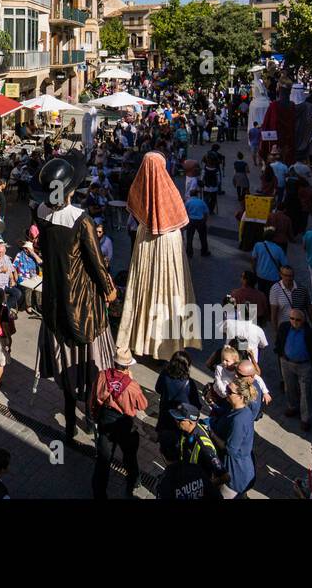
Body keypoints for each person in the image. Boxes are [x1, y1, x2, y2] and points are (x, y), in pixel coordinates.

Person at [36, 153, 120, 442]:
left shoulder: (41, 214)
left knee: (67, 375)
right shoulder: (80, 219)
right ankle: (93, 420)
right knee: (91, 368)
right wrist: (109, 289)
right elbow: (96, 263)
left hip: (54, 304)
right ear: (70, 191)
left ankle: (70, 423)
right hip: (82, 307)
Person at [117, 151, 197, 361]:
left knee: (145, 290)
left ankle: (142, 340)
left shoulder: (138, 188)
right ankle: (171, 345)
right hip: (170, 242)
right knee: (171, 292)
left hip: (146, 241)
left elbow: (135, 209)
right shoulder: (172, 192)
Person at [90, 346, 149, 499]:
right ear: (128, 366)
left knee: (103, 460)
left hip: (105, 421)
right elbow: (143, 405)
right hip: (124, 424)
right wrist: (132, 380)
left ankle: (99, 493)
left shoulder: (102, 375)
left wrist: (94, 416)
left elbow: (93, 398)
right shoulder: (132, 386)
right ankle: (133, 483)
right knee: (129, 456)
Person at [158, 403, 225, 500]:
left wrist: (203, 486)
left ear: (190, 422)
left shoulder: (204, 447)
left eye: (180, 420)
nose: (176, 421)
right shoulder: (186, 431)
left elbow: (224, 476)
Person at [276, 308, 312, 432]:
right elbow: (279, 341)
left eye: (298, 319)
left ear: (303, 320)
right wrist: (281, 354)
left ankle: (305, 418)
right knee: (289, 387)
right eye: (292, 318)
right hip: (286, 362)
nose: (294, 322)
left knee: (305, 392)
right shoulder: (284, 327)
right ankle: (292, 407)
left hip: (304, 365)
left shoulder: (311, 333)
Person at [213, 377, 258, 497]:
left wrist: (212, 434)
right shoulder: (241, 409)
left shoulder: (239, 420)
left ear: (241, 396)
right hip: (243, 469)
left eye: (230, 392)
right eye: (227, 389)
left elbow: (230, 449)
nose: (226, 392)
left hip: (236, 475)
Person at [249, 227, 286, 297]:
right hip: (273, 277)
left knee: (260, 293)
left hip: (260, 274)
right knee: (270, 295)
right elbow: (284, 264)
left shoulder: (258, 245)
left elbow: (253, 260)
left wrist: (253, 271)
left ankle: (259, 306)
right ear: (274, 238)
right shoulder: (279, 249)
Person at [183, 187, 211, 258]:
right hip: (200, 221)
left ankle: (189, 253)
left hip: (191, 221)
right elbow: (206, 213)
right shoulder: (201, 202)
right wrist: (204, 221)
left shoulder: (188, 202)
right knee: (203, 237)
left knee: (189, 237)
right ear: (197, 195)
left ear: (190, 195)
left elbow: (184, 212)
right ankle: (204, 251)